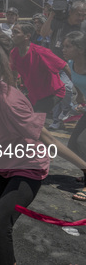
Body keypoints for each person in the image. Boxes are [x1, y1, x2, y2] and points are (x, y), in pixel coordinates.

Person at [0, 40, 86, 265]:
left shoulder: (11, 102)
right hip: (3, 166)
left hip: (28, 167)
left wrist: (84, 166)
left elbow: (47, 138)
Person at [42, 1, 86, 129]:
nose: (82, 18)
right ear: (70, 12)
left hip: (73, 65)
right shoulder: (59, 22)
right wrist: (51, 15)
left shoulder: (83, 26)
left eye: (84, 15)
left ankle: (67, 109)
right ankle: (57, 120)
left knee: (66, 88)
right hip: (54, 64)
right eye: (79, 15)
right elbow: (44, 33)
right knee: (56, 91)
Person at [10, 22, 68, 113]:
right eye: (12, 32)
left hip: (53, 93)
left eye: (16, 32)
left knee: (33, 121)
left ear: (27, 36)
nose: (12, 35)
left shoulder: (40, 52)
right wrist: (14, 87)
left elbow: (65, 66)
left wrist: (80, 92)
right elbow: (13, 71)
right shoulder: (14, 53)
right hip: (35, 95)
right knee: (20, 116)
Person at [61, 31, 86, 201]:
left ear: (81, 49)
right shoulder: (71, 63)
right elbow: (78, 84)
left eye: (68, 46)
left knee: (82, 142)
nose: (63, 49)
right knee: (73, 145)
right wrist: (80, 98)